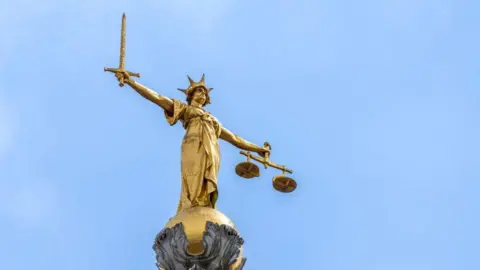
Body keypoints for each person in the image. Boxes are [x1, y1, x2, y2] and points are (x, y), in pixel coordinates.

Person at [113, 71, 269, 213]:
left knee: (206, 177)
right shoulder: (185, 109)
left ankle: (203, 205)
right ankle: (191, 206)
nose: (202, 94)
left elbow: (235, 139)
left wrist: (258, 150)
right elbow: (158, 98)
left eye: (205, 93)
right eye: (199, 90)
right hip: (193, 144)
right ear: (191, 95)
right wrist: (131, 82)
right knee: (193, 175)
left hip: (212, 149)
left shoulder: (213, 120)